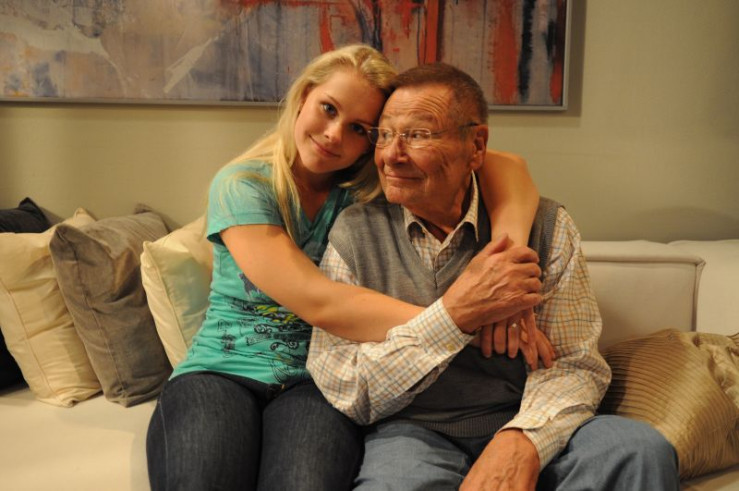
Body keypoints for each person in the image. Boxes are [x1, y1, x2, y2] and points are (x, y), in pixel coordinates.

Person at [146, 45, 548, 491]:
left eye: (359, 128)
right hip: (220, 371)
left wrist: (507, 260)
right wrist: (469, 316)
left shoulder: (371, 189)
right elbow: (320, 302)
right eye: (328, 109)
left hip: (316, 385)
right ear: (303, 96)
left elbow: (507, 166)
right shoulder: (244, 185)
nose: (334, 135)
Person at [307, 62, 680, 490]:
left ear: (476, 145)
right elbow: (346, 386)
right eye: (385, 134)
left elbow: (575, 365)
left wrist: (524, 440)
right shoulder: (357, 233)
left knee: (639, 450)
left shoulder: (545, 227)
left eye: (418, 135)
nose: (391, 155)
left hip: (527, 415)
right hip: (414, 432)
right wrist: (456, 317)